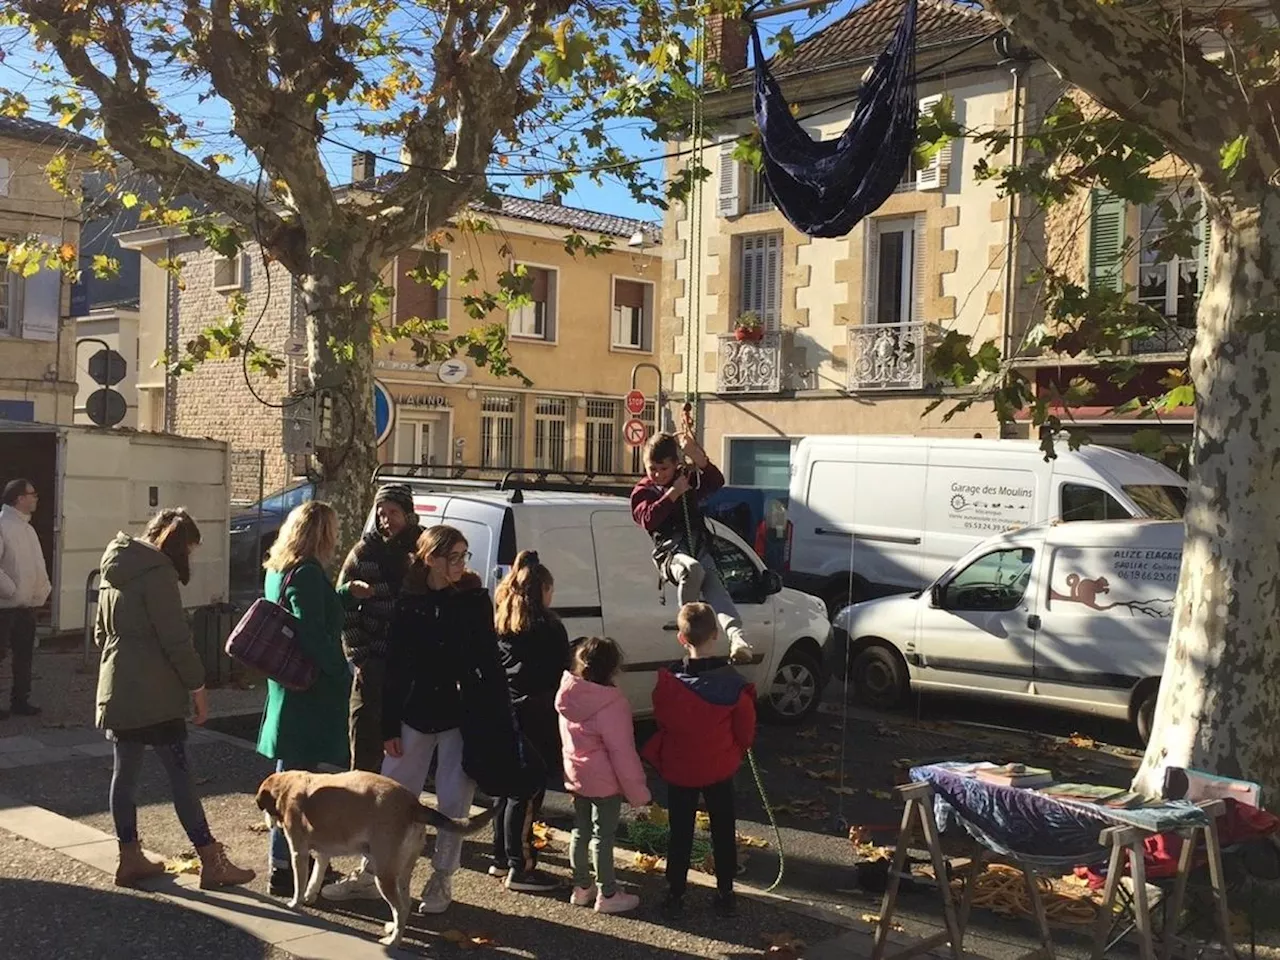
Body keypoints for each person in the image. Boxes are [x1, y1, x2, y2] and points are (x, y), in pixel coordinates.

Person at [324, 525, 519, 914]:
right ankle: (374, 869)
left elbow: (487, 660)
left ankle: (442, 876)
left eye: (465, 555)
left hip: (462, 715)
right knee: (393, 793)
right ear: (430, 558)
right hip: (415, 711)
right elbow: (397, 668)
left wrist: (500, 716)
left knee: (453, 798)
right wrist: (389, 725)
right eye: (454, 556)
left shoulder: (473, 599)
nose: (462, 564)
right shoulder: (408, 603)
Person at [94, 508, 255, 889]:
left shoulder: (114, 564)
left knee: (125, 775)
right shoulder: (159, 573)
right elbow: (176, 640)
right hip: (157, 692)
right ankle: (210, 859)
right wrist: (198, 687)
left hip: (118, 686)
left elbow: (102, 633)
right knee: (180, 775)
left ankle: (129, 855)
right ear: (181, 546)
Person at [257, 501, 372, 896]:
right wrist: (342, 669)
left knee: (289, 773)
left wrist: (342, 594)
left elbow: (304, 614)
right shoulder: (307, 573)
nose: (337, 538)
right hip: (306, 689)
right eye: (334, 531)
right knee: (295, 784)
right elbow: (310, 629)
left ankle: (287, 865)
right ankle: (286, 868)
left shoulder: (280, 569)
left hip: (285, 683)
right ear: (321, 534)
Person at [642, 601, 756, 919]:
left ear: (682, 638)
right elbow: (745, 734)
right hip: (719, 766)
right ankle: (725, 890)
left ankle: (675, 891)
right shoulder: (735, 686)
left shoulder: (667, 684)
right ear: (716, 635)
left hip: (681, 767)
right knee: (722, 826)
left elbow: (662, 720)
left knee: (680, 830)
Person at [630, 432, 752, 664]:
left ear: (675, 464)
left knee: (718, 592)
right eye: (651, 468)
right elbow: (648, 519)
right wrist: (674, 492)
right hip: (671, 553)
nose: (656, 474)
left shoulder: (686, 478)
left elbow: (716, 481)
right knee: (692, 570)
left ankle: (738, 639)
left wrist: (699, 458)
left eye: (663, 469)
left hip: (698, 545)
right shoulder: (644, 490)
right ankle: (689, 632)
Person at [491, 550, 570, 893]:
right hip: (538, 712)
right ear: (544, 590)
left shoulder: (503, 622)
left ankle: (499, 856)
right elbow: (559, 672)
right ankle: (520, 866)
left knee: (507, 790)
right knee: (528, 791)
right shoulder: (549, 628)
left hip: (506, 711)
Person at [556, 636, 650, 914]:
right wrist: (638, 792)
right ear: (613, 668)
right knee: (603, 836)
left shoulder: (568, 696)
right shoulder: (612, 703)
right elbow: (622, 753)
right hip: (605, 782)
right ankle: (608, 892)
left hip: (577, 776)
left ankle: (582, 886)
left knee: (580, 831)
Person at [337, 483, 421, 775]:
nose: (386, 520)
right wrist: (359, 657)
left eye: (394, 512)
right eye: (381, 513)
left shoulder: (424, 549)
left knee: (408, 749)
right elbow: (344, 606)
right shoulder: (364, 552)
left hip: (413, 664)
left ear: (408, 514)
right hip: (374, 660)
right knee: (365, 741)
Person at [0, 478, 52, 718]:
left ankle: (20, 701)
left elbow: (35, 564)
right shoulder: (3, 525)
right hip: (5, 605)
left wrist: (43, 588)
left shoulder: (27, 528)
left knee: (24, 655)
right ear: (20, 498)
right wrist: (10, 590)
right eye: (32, 494)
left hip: (26, 605)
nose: (36, 498)